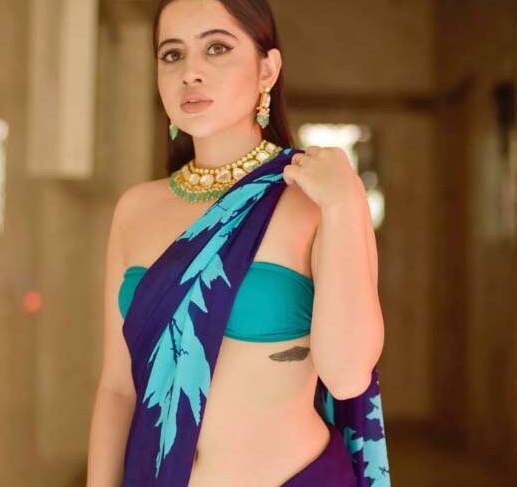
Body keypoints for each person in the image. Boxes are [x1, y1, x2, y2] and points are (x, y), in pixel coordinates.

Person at [86, 0, 390, 486]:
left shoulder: (313, 199)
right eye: (172, 55)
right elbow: (118, 390)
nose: (191, 72)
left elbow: (348, 375)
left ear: (267, 69)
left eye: (217, 48)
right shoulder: (135, 210)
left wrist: (344, 206)